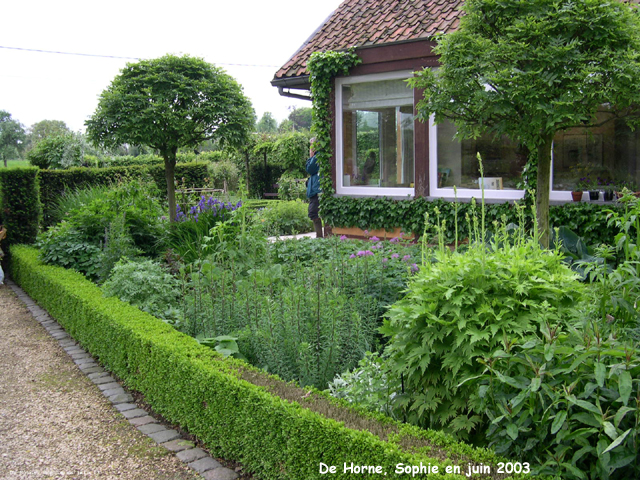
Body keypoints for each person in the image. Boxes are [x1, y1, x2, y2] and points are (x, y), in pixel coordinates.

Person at [306, 138, 323, 238]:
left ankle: (319, 237)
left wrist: (310, 156)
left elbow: (310, 169)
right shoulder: (318, 156)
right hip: (316, 189)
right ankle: (319, 236)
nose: (310, 148)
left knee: (313, 212)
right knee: (314, 212)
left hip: (317, 190)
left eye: (312, 145)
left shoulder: (317, 156)